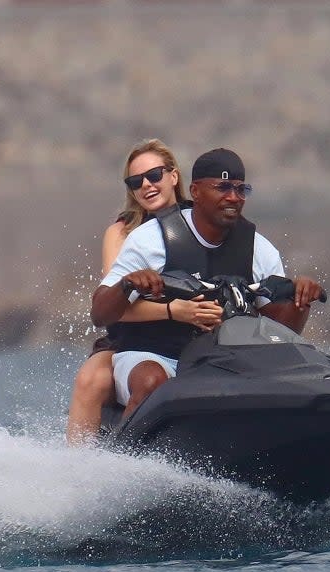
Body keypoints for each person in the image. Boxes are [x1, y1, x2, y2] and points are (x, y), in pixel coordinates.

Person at [91, 147, 324, 419]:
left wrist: (299, 301)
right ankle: (128, 460)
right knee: (151, 383)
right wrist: (127, 286)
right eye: (223, 188)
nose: (233, 197)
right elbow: (99, 313)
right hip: (156, 356)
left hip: (224, 361)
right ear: (196, 192)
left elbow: (278, 330)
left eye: (240, 190)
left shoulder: (258, 249)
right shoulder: (149, 240)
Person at [66, 139, 223, 445]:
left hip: (193, 336)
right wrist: (174, 310)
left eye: (154, 176)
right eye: (136, 181)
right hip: (132, 335)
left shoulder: (202, 223)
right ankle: (79, 468)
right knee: (92, 379)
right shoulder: (123, 233)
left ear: (173, 176)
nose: (147, 185)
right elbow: (116, 304)